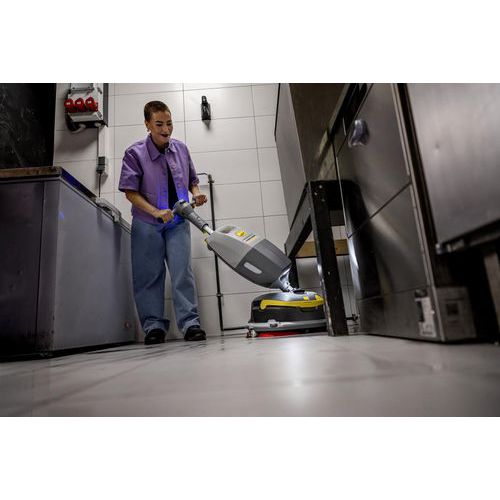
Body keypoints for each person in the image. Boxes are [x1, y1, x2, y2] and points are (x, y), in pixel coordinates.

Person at [118, 100, 208, 345]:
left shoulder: (181, 149)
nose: (166, 129)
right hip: (147, 223)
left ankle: (190, 324)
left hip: (178, 221)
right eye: (159, 124)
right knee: (148, 276)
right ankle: (153, 327)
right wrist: (156, 212)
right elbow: (130, 192)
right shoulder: (134, 153)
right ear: (147, 124)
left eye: (169, 123)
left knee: (182, 273)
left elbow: (192, 180)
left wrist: (197, 193)